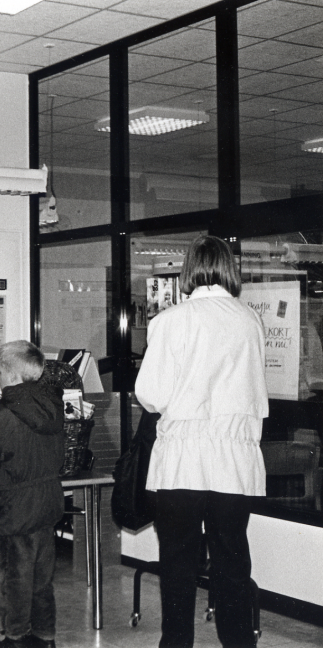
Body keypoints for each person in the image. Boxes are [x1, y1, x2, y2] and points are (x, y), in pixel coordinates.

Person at [135, 234, 269, 648]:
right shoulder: (250, 320)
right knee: (231, 562)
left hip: (182, 461)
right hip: (235, 459)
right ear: (230, 268)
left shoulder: (171, 320)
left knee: (178, 563)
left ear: (189, 269)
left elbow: (152, 395)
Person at [0, 340, 65, 648]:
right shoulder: (54, 406)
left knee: (14, 575)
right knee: (41, 576)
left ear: (8, 373)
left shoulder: (4, 418)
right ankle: (44, 636)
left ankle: (15, 638)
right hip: (48, 503)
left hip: (15, 507)